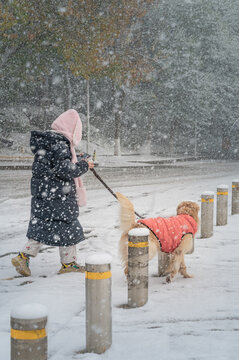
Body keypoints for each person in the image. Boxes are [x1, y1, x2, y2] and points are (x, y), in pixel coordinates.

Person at [11, 109, 94, 276]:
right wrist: (85, 165)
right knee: (69, 227)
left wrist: (76, 157)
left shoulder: (49, 142)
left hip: (44, 196)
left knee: (42, 227)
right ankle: (68, 264)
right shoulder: (61, 144)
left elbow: (56, 162)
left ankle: (23, 256)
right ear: (72, 130)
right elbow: (65, 169)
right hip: (59, 197)